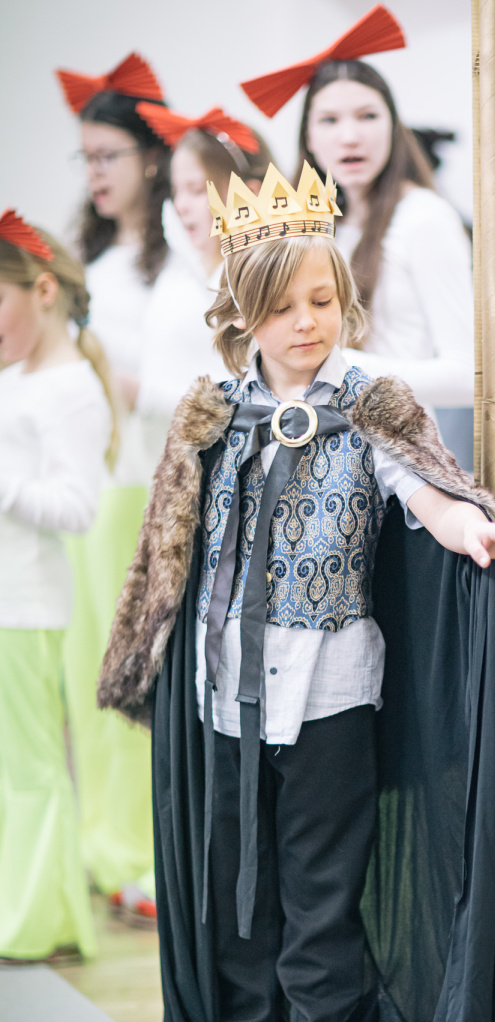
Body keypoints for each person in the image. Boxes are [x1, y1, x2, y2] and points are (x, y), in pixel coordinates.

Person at [97, 160, 495, 1022]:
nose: (307, 322)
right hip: (222, 695)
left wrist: (474, 532)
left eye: (323, 300)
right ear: (244, 313)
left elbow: (423, 491)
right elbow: (167, 544)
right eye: (284, 306)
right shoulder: (212, 411)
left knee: (319, 892)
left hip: (329, 696)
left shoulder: (370, 402)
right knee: (236, 886)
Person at [241, 6, 475, 468]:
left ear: (393, 127)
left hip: (398, 467)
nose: (350, 136)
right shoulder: (313, 226)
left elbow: (470, 377)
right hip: (313, 460)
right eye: (329, 120)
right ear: (309, 137)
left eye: (367, 116)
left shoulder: (423, 218)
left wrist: (344, 367)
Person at [55, 52, 171, 923]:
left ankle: (143, 855)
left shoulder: (172, 266)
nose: (95, 173)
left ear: (152, 159)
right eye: (86, 157)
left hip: (145, 486)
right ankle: (102, 849)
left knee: (132, 672)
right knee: (83, 673)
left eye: (109, 156)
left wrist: (124, 383)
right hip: (87, 488)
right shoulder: (87, 260)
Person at [0, 210, 113, 962]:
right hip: (7, 598)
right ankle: (39, 911)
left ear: (42, 291)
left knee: (33, 768)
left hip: (26, 605)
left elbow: (78, 508)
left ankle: (34, 923)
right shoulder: (17, 379)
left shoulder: (72, 389)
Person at [134, 104, 272, 480]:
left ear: (249, 194)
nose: (180, 205)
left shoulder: (257, 284)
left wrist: (141, 395)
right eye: (176, 190)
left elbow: (248, 399)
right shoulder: (177, 273)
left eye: (196, 190)